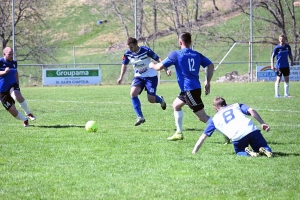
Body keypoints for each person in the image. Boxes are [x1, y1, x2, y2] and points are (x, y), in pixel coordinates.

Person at [149, 32, 230, 142]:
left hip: (189, 90)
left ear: (180, 42)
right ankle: (179, 133)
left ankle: (228, 134)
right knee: (176, 105)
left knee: (202, 117)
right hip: (190, 89)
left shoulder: (176, 54)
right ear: (191, 42)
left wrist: (152, 65)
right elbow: (210, 65)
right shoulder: (196, 54)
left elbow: (158, 67)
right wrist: (208, 81)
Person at [192, 96, 273, 158]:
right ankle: (264, 149)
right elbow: (251, 110)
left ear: (215, 108)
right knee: (262, 146)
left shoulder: (215, 119)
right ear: (225, 103)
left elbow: (203, 136)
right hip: (251, 129)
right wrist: (262, 123)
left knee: (240, 152)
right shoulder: (236, 105)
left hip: (237, 136)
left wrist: (194, 152)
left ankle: (247, 153)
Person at [117, 37, 171, 126]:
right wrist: (121, 77)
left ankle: (160, 99)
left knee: (151, 99)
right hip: (139, 77)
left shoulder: (146, 50)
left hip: (151, 77)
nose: (130, 49)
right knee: (133, 93)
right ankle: (140, 117)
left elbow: (158, 59)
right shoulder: (128, 53)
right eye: (128, 47)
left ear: (136, 45)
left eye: (131, 47)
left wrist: (166, 69)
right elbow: (124, 65)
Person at [0, 47, 36, 127]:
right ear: (4, 54)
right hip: (2, 91)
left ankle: (28, 113)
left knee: (16, 95)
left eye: (12, 54)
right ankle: (24, 120)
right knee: (13, 111)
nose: (11, 56)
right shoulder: (0, 62)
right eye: (9, 54)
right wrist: (4, 72)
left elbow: (16, 72)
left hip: (12, 85)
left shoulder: (14, 62)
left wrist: (17, 84)